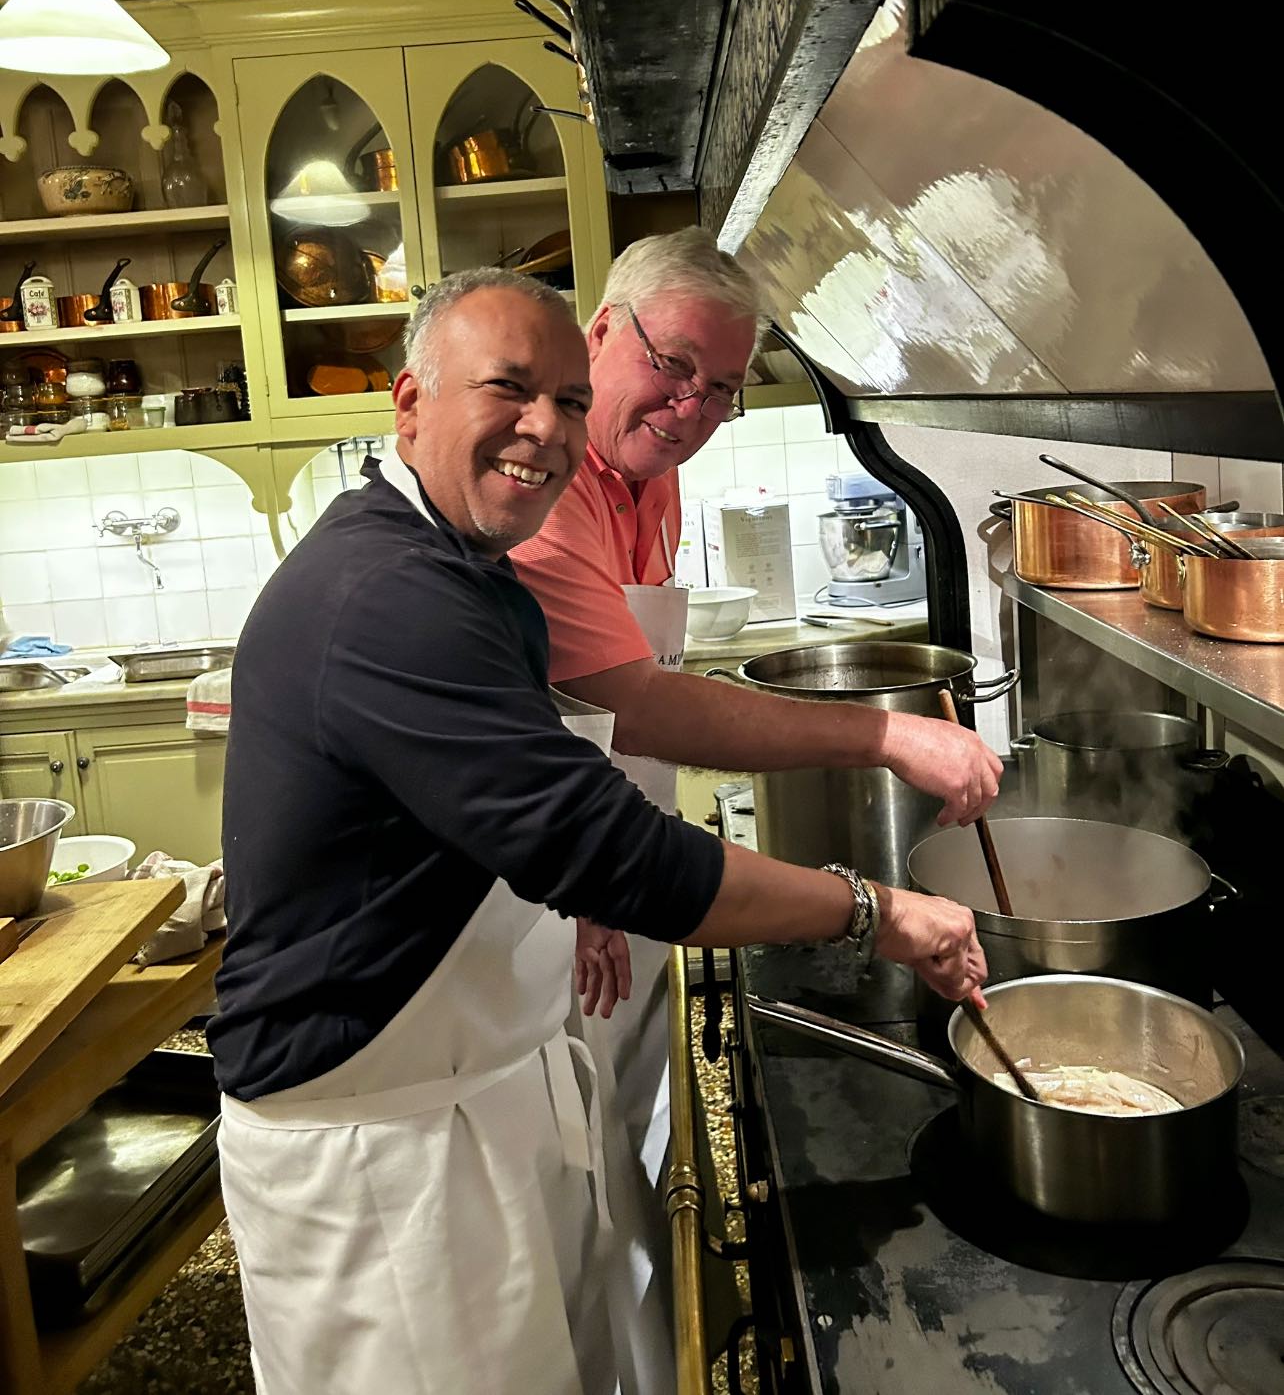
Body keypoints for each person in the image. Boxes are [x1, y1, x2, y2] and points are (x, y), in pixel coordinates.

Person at [208, 269, 987, 1395]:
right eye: (509, 390)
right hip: (378, 1151)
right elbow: (617, 850)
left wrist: (564, 894)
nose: (545, 430)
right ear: (409, 402)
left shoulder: (468, 569)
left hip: (474, 1083)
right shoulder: (386, 598)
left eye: (566, 402)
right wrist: (878, 910)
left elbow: (528, 791)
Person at [510, 227, 1004, 1385]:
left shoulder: (650, 467)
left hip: (616, 873)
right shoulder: (545, 494)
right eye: (673, 366)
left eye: (723, 387)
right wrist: (890, 733)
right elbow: (635, 706)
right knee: (567, 1199)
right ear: (600, 334)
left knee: (636, 1185)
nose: (692, 407)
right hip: (547, 888)